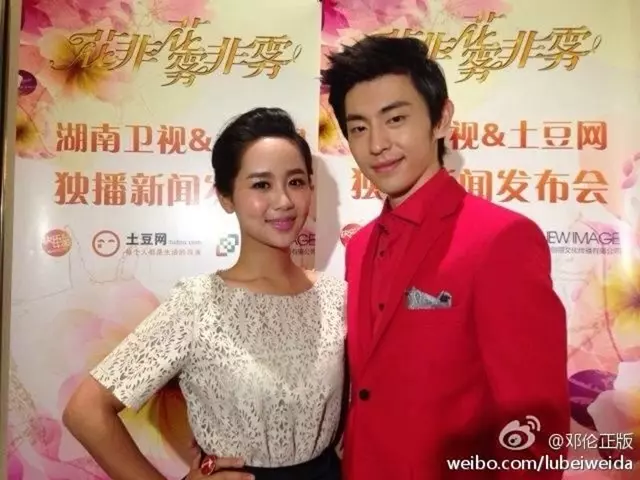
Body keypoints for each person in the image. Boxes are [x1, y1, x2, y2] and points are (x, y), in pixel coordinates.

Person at [318, 36, 570, 479]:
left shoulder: (501, 239)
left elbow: (535, 426)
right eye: (358, 128)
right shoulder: (359, 246)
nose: (377, 144)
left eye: (395, 119)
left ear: (441, 119)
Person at [62, 107, 347, 480]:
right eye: (261, 185)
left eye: (295, 181)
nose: (283, 200)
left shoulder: (336, 297)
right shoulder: (199, 303)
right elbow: (85, 411)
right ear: (227, 197)